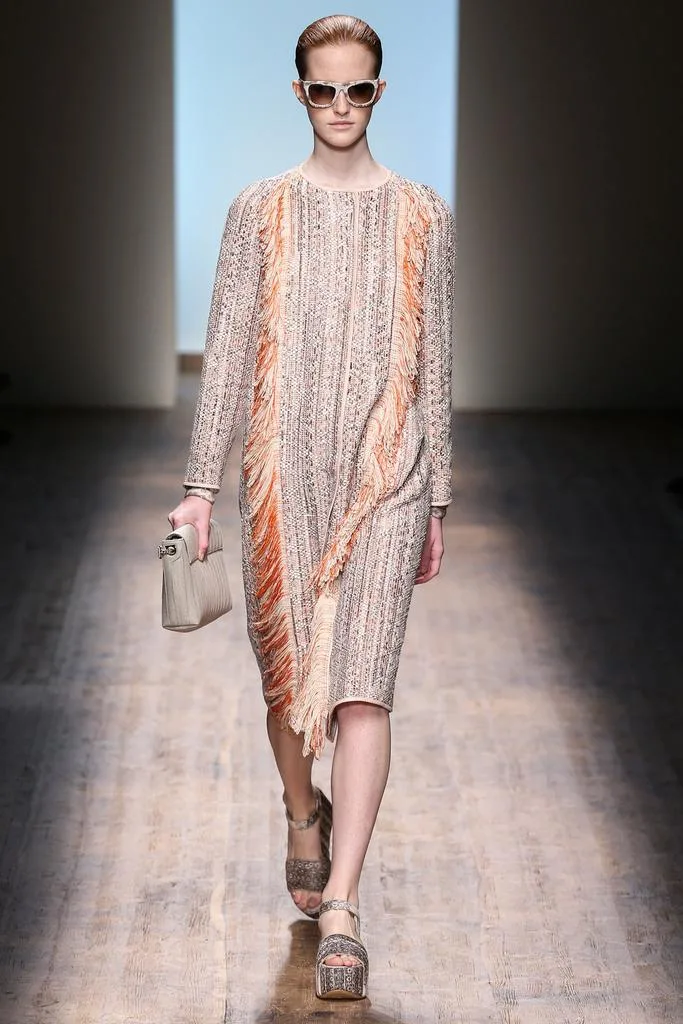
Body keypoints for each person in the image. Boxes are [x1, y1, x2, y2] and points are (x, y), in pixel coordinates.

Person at [168, 13, 455, 1001]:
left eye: (357, 89)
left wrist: (437, 498)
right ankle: (302, 808)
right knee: (286, 678)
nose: (340, 106)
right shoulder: (258, 210)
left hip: (387, 475)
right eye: (323, 89)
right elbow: (224, 355)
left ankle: (342, 904)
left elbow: (434, 359)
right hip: (279, 474)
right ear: (300, 92)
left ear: (379, 92)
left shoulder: (422, 213)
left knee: (363, 688)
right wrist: (200, 489)